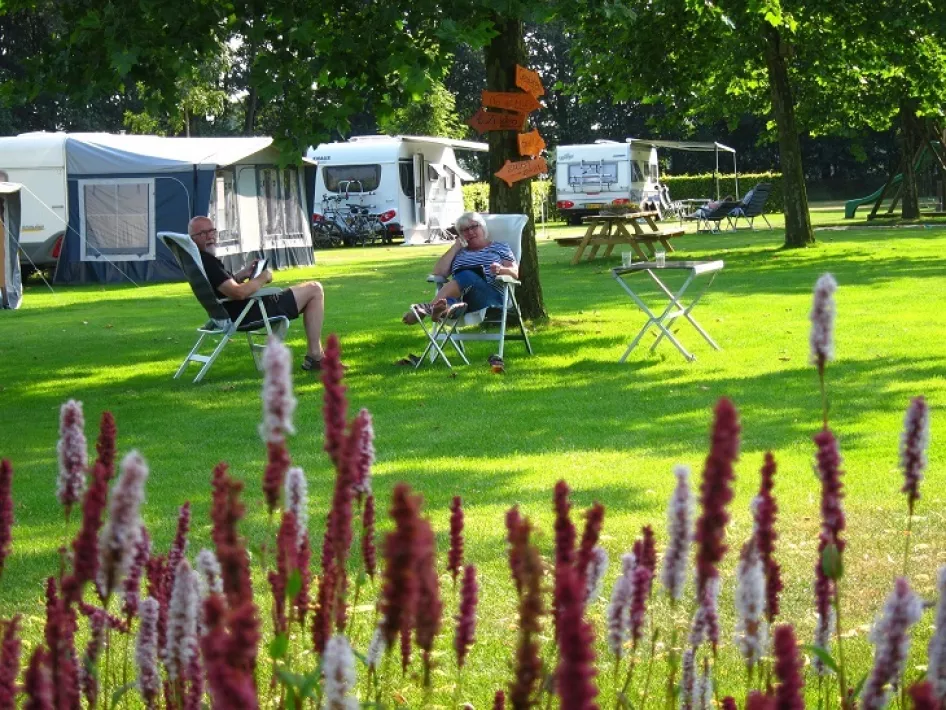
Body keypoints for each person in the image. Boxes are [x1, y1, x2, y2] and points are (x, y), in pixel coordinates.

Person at [188, 215, 329, 371]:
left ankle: (315, 355)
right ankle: (315, 356)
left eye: (212, 231)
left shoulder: (200, 261)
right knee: (315, 289)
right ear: (192, 239)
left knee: (310, 291)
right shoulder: (209, 263)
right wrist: (263, 277)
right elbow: (239, 293)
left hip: (236, 310)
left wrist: (243, 274)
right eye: (203, 234)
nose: (210, 237)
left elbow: (224, 288)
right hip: (249, 311)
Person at [402, 212, 518, 324]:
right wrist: (455, 247)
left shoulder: (500, 247)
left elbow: (515, 272)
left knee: (466, 275)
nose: (470, 232)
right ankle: (439, 310)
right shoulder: (459, 252)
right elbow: (438, 273)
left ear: (482, 227)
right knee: (449, 302)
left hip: (491, 299)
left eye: (473, 227)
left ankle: (428, 308)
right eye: (464, 230)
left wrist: (502, 270)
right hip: (464, 300)